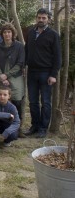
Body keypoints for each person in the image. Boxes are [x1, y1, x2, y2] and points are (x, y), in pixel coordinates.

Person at [24, 8, 61, 138]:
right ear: (36, 18)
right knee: (33, 101)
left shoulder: (53, 34)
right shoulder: (31, 33)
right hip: (32, 73)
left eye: (43, 18)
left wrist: (53, 75)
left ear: (48, 19)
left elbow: (57, 56)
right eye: (39, 17)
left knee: (45, 102)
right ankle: (35, 125)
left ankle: (43, 128)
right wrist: (24, 66)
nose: (41, 20)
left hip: (46, 73)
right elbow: (26, 51)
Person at [0, 23, 25, 135]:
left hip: (15, 76)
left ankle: (18, 128)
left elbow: (20, 63)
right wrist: (1, 76)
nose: (7, 34)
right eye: (5, 32)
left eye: (9, 32)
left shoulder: (19, 46)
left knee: (16, 101)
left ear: (13, 33)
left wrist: (7, 75)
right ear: (2, 34)